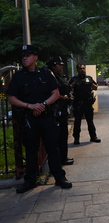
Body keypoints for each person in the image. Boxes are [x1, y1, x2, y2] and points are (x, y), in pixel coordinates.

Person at [6, 45, 72, 194]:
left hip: (47, 117)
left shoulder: (46, 74)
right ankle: (30, 181)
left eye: (28, 55)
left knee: (52, 148)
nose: (24, 58)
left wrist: (42, 105)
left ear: (35, 57)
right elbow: (11, 98)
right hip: (29, 119)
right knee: (31, 150)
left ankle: (60, 178)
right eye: (23, 55)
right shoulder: (18, 77)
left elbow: (55, 93)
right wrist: (30, 106)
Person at [46, 56, 74, 165]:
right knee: (59, 135)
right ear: (53, 66)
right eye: (59, 64)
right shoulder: (51, 77)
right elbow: (52, 93)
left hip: (63, 108)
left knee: (63, 134)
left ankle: (63, 157)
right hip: (57, 109)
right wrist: (63, 97)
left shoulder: (58, 76)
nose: (61, 66)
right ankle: (60, 158)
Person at [69, 64, 101, 144]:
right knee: (77, 122)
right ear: (77, 70)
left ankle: (93, 137)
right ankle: (76, 138)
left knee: (90, 122)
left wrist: (91, 84)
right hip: (78, 104)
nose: (82, 70)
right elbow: (68, 88)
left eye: (83, 68)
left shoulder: (89, 78)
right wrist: (72, 85)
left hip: (88, 103)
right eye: (80, 68)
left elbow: (96, 87)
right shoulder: (74, 79)